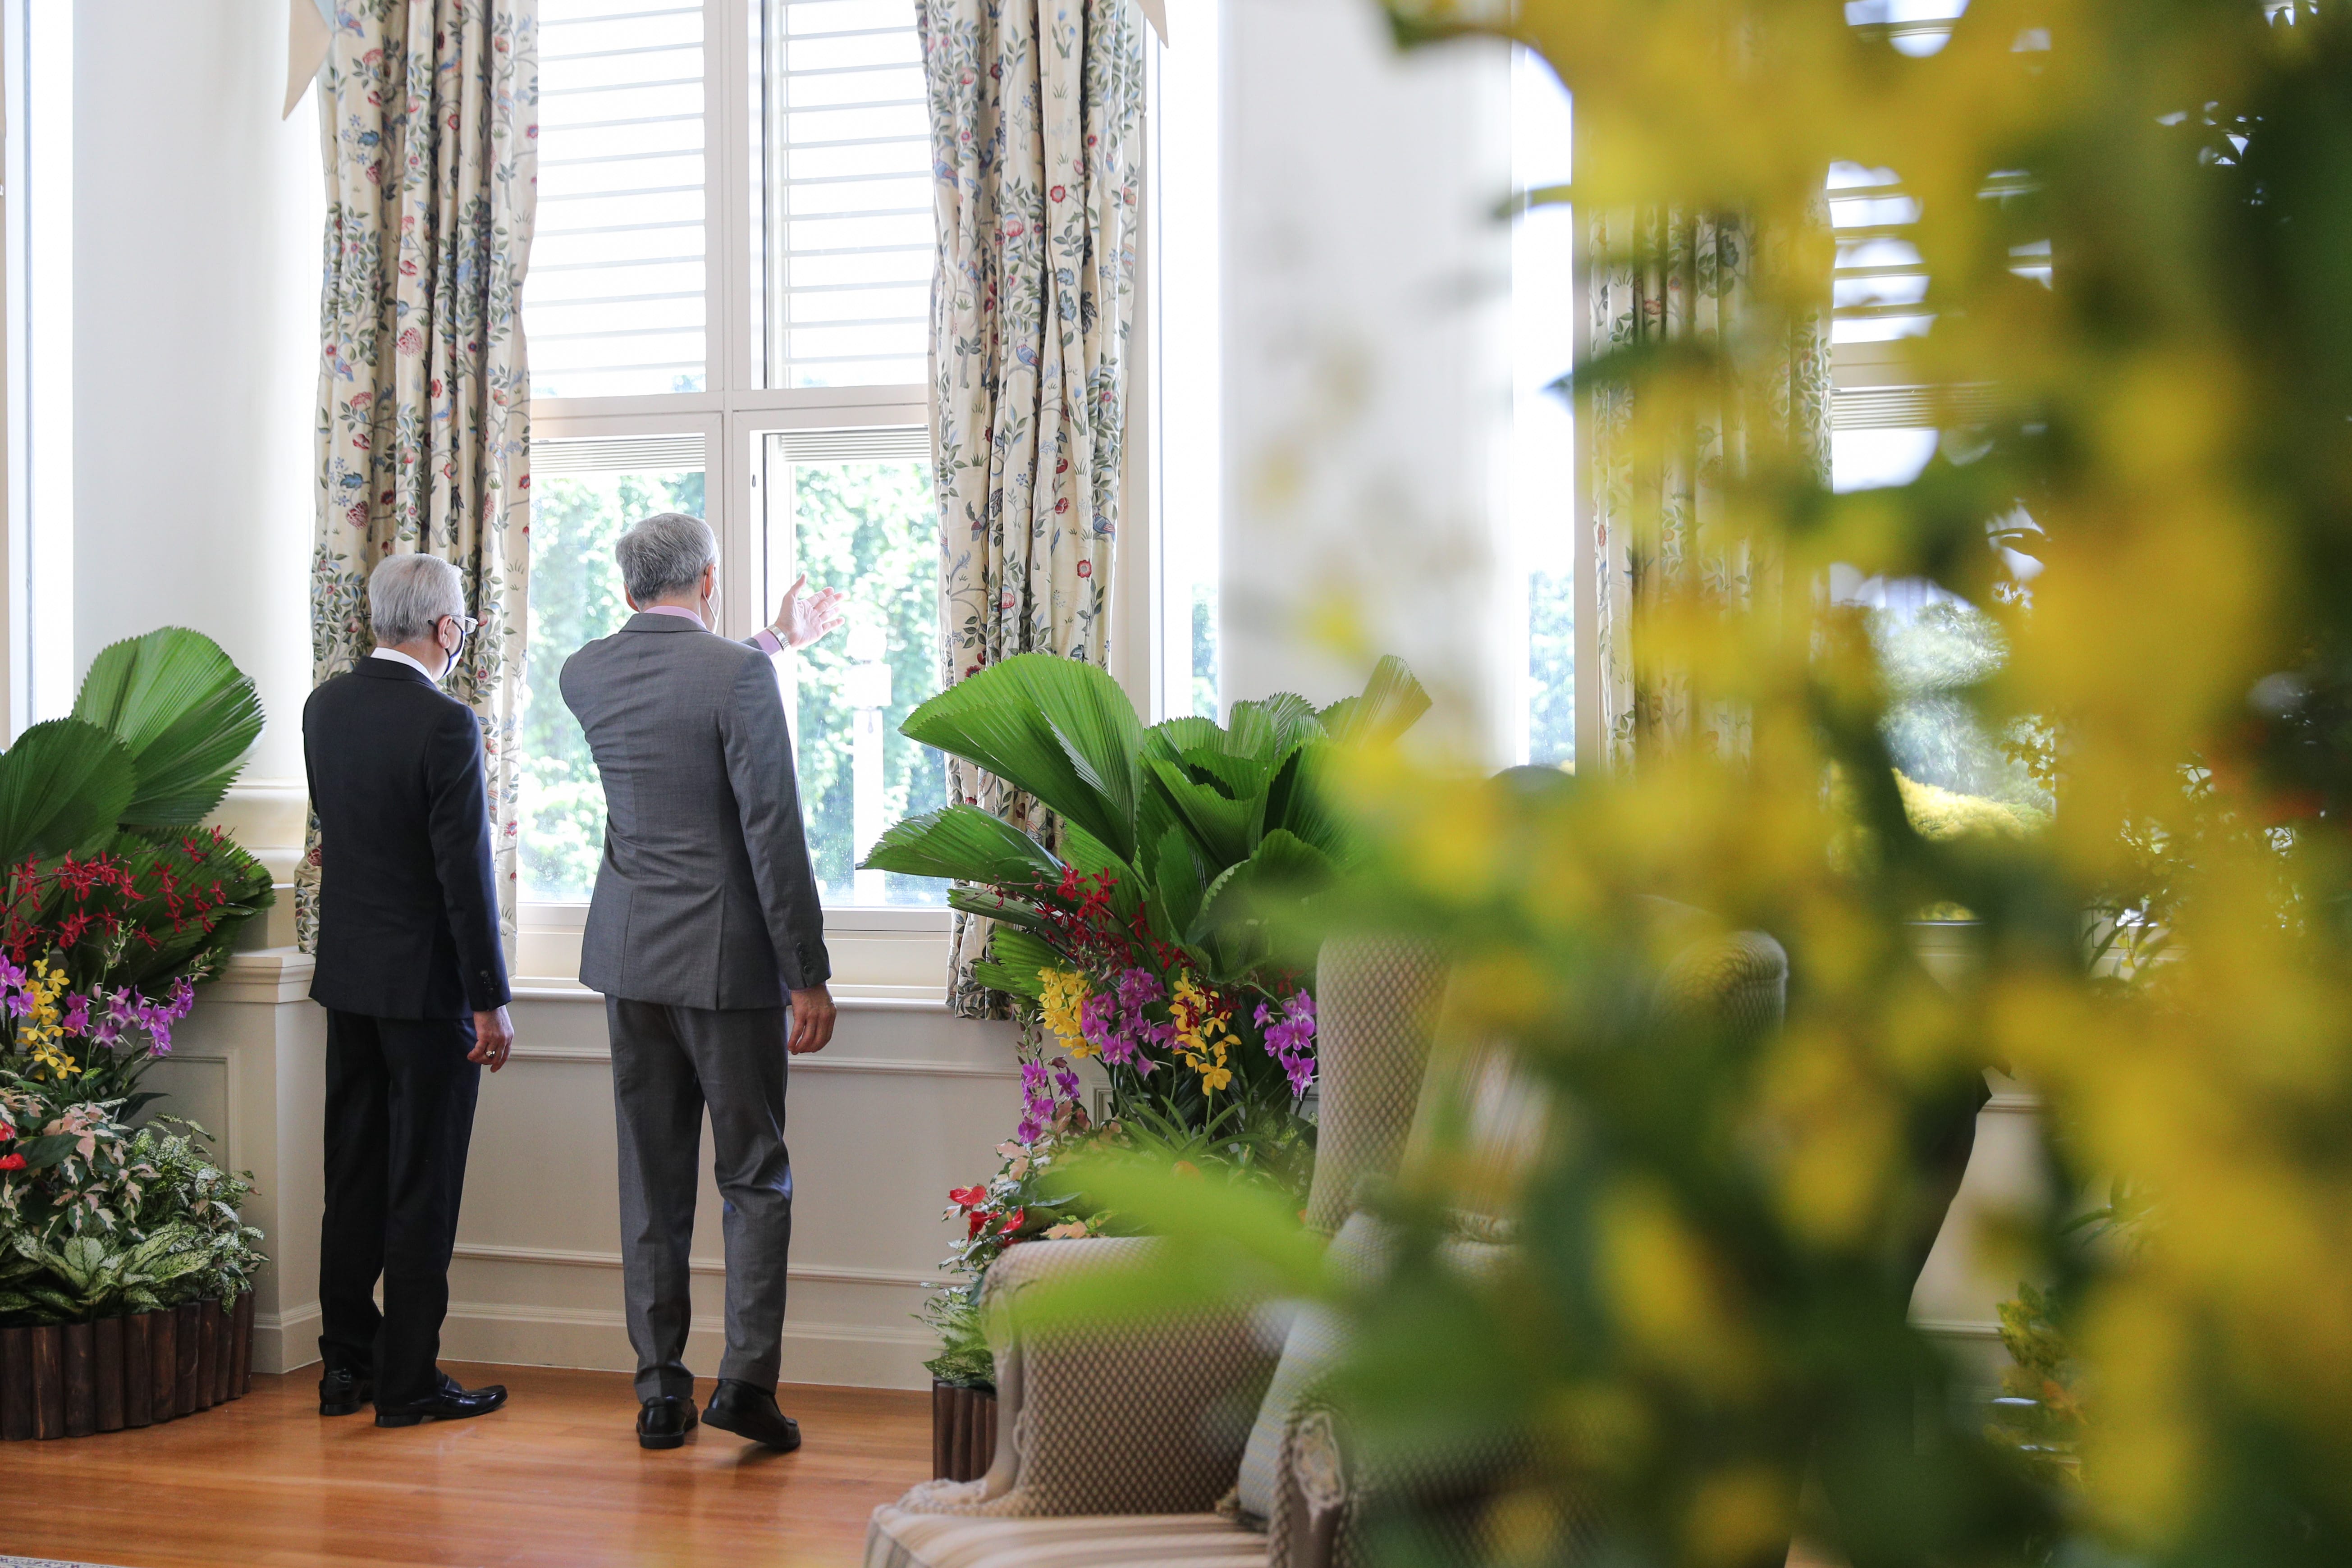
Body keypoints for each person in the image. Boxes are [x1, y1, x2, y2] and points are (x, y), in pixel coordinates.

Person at [559, 513, 844, 1452]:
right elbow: (772, 830)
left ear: (626, 584)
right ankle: (746, 1388)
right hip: (727, 966)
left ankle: (658, 1392)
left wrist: (775, 641)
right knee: (753, 1177)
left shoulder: (583, 673)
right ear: (709, 579)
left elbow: (677, 694)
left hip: (627, 960)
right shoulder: (735, 674)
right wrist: (807, 974)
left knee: (651, 1180)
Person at [303, 553, 516, 1428]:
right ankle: (408, 1382)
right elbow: (461, 876)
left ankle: (344, 1367)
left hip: (349, 977)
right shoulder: (445, 725)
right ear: (445, 628)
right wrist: (487, 996)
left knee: (352, 1174)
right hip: (428, 990)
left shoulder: (326, 708)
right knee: (421, 1183)